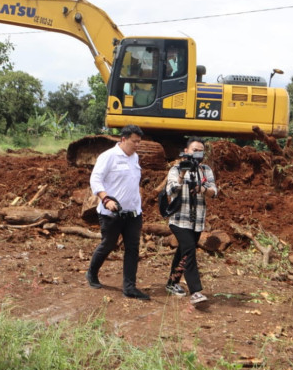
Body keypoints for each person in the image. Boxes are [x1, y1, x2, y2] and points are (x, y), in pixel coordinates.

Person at [84, 124, 150, 301]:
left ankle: (129, 288)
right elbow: (95, 179)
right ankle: (91, 273)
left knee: (132, 249)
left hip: (133, 213)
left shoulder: (134, 157)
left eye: (139, 142)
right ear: (123, 139)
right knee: (108, 244)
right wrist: (106, 199)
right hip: (111, 213)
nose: (137, 145)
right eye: (134, 141)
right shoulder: (108, 156)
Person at [163, 137, 217, 305]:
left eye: (201, 150)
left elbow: (214, 191)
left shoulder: (205, 170)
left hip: (197, 221)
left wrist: (202, 189)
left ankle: (172, 283)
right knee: (189, 250)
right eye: (195, 150)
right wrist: (182, 175)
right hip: (179, 219)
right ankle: (196, 291)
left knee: (183, 252)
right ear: (186, 151)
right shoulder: (176, 169)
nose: (198, 153)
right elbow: (171, 190)